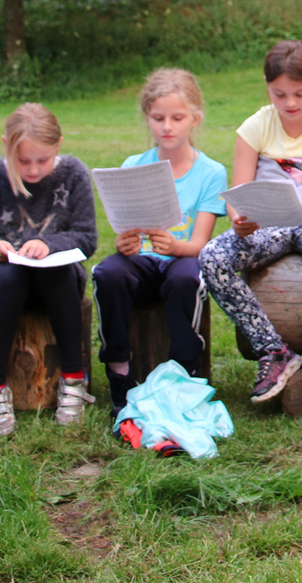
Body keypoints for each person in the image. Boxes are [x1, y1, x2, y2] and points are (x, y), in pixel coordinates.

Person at [199, 40, 302, 403]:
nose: (290, 103)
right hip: (267, 227)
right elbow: (238, 196)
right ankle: (272, 351)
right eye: (279, 94)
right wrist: (239, 220)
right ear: (267, 87)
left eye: (299, 94)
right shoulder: (255, 126)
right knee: (212, 256)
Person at [94, 69, 226, 414]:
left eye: (177, 118)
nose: (167, 127)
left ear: (195, 119)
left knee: (187, 276)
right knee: (108, 272)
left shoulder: (210, 173)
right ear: (147, 119)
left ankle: (184, 372)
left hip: (181, 260)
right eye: (158, 118)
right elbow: (127, 232)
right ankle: (119, 370)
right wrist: (125, 244)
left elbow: (200, 244)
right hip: (142, 263)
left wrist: (176, 247)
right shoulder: (133, 165)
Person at [0, 103, 99, 435]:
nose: (34, 170)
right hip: (3, 281)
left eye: (43, 160)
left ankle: (74, 380)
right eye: (23, 161)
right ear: (6, 146)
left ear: (58, 145)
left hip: (57, 279)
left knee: (58, 273)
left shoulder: (74, 173)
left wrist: (49, 244)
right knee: (10, 276)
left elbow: (87, 237)